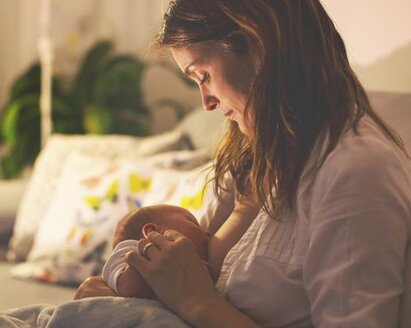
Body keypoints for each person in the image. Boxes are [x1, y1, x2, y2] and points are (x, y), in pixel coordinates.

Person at [75, 1, 411, 327]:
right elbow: (182, 273)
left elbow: (190, 292)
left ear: (257, 42)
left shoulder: (356, 173)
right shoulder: (250, 157)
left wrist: (198, 303)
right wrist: (114, 293)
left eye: (202, 75)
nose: (205, 102)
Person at [74, 204, 209, 299]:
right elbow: (128, 286)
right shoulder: (127, 253)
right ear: (152, 232)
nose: (206, 233)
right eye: (192, 222)